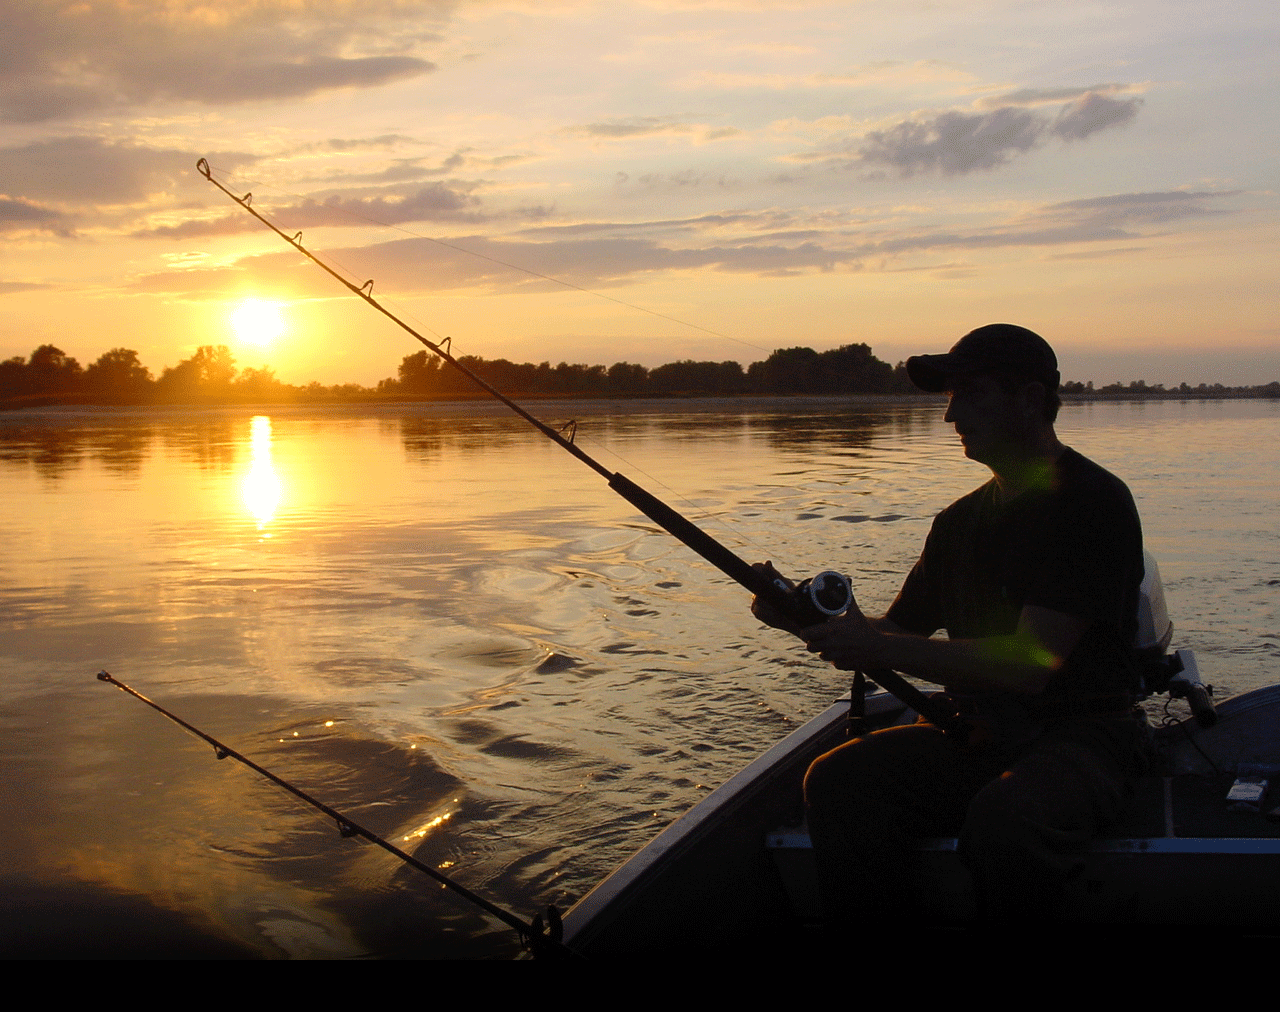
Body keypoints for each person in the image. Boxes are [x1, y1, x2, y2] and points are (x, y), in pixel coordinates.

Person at [754, 323, 1148, 928]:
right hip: (979, 731)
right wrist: (806, 620)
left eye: (969, 393)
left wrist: (871, 643)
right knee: (840, 780)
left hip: (1085, 737)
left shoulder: (1092, 503)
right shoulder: (958, 522)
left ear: (1030, 399)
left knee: (1007, 819)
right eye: (948, 396)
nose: (949, 416)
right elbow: (900, 633)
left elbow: (1029, 665)